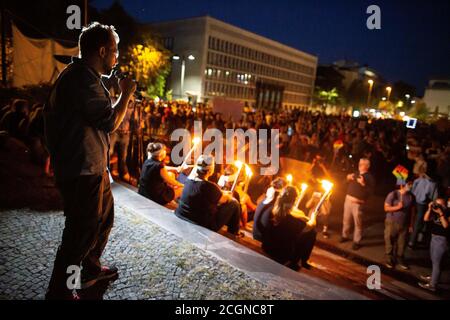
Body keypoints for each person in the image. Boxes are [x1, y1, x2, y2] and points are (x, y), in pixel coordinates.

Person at [43, 22, 137, 300]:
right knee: (80, 233)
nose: (117, 57)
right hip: (82, 169)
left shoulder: (85, 76)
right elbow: (109, 121)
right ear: (102, 50)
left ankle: (91, 270)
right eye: (115, 51)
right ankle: (61, 291)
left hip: (94, 166)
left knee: (103, 220)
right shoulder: (81, 79)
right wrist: (126, 93)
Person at [175, 155, 243, 238]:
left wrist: (221, 192)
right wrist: (227, 195)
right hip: (202, 223)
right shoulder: (210, 187)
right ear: (211, 170)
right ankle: (233, 233)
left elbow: (205, 191)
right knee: (234, 203)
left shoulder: (189, 180)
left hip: (181, 213)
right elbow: (225, 199)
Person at [262, 185, 317, 270]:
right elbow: (311, 225)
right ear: (294, 200)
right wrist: (313, 216)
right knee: (311, 232)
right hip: (282, 255)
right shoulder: (293, 220)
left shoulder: (272, 210)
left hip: (267, 248)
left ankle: (301, 261)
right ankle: (298, 262)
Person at [341, 158, 375, 250]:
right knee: (346, 219)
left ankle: (356, 241)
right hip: (348, 200)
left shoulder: (369, 177)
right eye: (360, 163)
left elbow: (371, 192)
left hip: (357, 203)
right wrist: (347, 179)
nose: (360, 165)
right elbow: (343, 184)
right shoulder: (355, 173)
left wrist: (363, 184)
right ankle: (345, 236)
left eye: (363, 164)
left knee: (358, 223)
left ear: (367, 166)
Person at [418, 198, 449, 292]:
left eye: (439, 205)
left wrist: (441, 214)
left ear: (444, 205)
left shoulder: (448, 212)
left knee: (436, 263)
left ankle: (432, 285)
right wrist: (429, 208)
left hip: (442, 240)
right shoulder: (434, 211)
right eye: (436, 204)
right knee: (434, 260)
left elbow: (446, 226)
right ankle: (433, 278)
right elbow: (425, 219)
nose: (437, 206)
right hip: (433, 238)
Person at [383, 181, 415, 270]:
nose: (411, 186)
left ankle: (400, 258)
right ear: (403, 185)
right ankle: (389, 258)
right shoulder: (393, 194)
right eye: (409, 184)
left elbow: (412, 212)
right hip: (391, 222)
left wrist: (411, 224)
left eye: (412, 185)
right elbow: (386, 208)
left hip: (404, 224)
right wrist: (397, 207)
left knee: (402, 243)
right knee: (389, 240)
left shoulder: (411, 196)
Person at [409, 167, 438, 248]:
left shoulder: (420, 179)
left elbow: (413, 185)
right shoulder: (434, 183)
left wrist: (414, 192)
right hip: (424, 203)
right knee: (421, 221)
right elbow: (434, 197)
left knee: (418, 220)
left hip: (417, 201)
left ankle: (415, 240)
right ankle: (413, 241)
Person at [109, 98, 134, 181]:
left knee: (123, 155)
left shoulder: (132, 105)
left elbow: (134, 119)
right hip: (115, 131)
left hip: (125, 132)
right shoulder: (115, 100)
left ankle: (122, 173)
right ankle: (107, 172)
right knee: (109, 152)